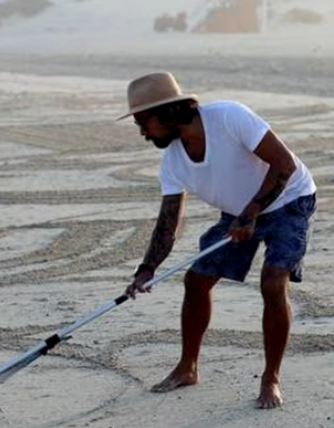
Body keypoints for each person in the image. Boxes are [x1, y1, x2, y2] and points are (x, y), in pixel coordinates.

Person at [121, 71, 317, 409]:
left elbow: (283, 164)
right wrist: (147, 268)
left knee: (272, 284)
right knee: (196, 280)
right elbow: (168, 223)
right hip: (239, 211)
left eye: (143, 121)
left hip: (289, 201)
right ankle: (188, 368)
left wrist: (252, 212)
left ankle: (271, 378)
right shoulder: (173, 162)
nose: (142, 132)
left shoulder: (229, 117)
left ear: (167, 112)